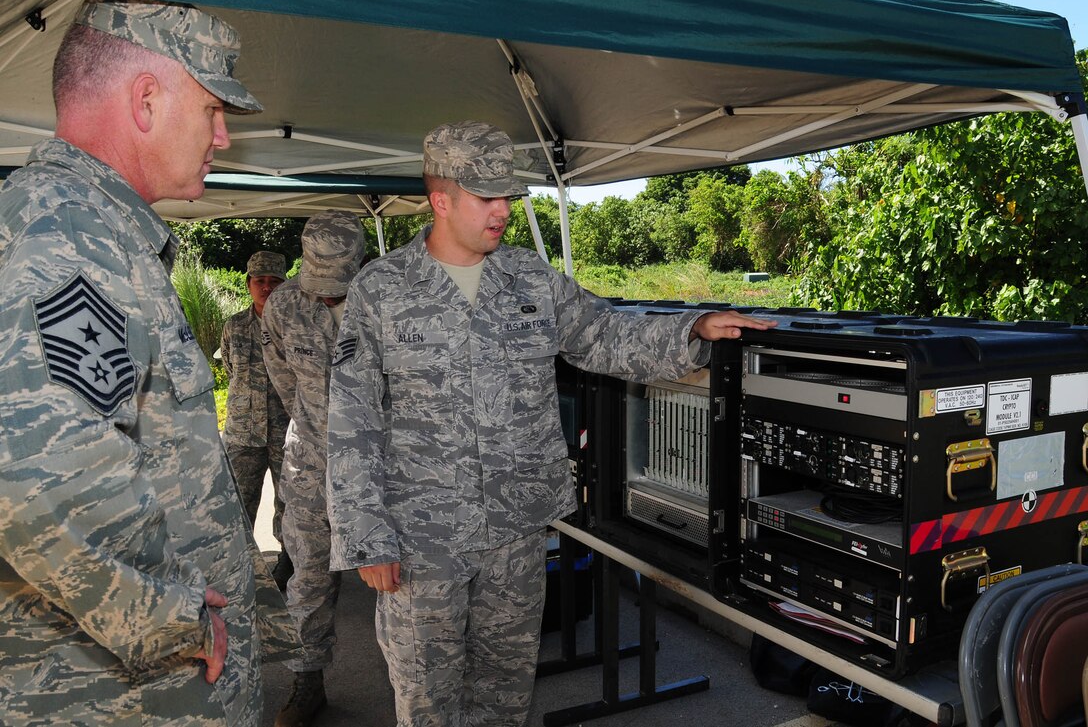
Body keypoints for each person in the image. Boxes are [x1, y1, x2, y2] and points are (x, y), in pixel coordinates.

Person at [325, 120, 778, 726]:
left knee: (505, 696)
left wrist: (691, 330)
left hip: (517, 533)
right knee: (428, 705)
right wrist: (366, 537)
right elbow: (351, 419)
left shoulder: (531, 281)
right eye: (488, 197)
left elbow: (605, 334)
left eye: (509, 196)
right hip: (422, 540)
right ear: (442, 200)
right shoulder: (380, 289)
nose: (504, 210)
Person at [0, 0, 298, 725]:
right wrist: (175, 621)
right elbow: (38, 480)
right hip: (123, 695)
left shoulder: (91, 228)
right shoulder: (67, 232)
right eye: (212, 110)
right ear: (144, 99)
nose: (223, 137)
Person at [262, 211, 367, 727]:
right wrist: (314, 427)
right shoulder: (282, 305)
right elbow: (284, 378)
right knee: (307, 577)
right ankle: (307, 681)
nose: (326, 296)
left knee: (407, 579)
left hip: (381, 466)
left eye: (336, 287)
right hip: (310, 463)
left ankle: (417, 683)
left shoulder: (387, 298)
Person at [221, 250, 293, 589]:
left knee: (290, 501)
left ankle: (288, 564)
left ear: (284, 284)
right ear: (249, 284)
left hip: (287, 431)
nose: (266, 287)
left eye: (273, 281)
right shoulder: (234, 326)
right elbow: (231, 370)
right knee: (238, 500)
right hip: (243, 432)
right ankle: (239, 566)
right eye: (259, 281)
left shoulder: (295, 324)